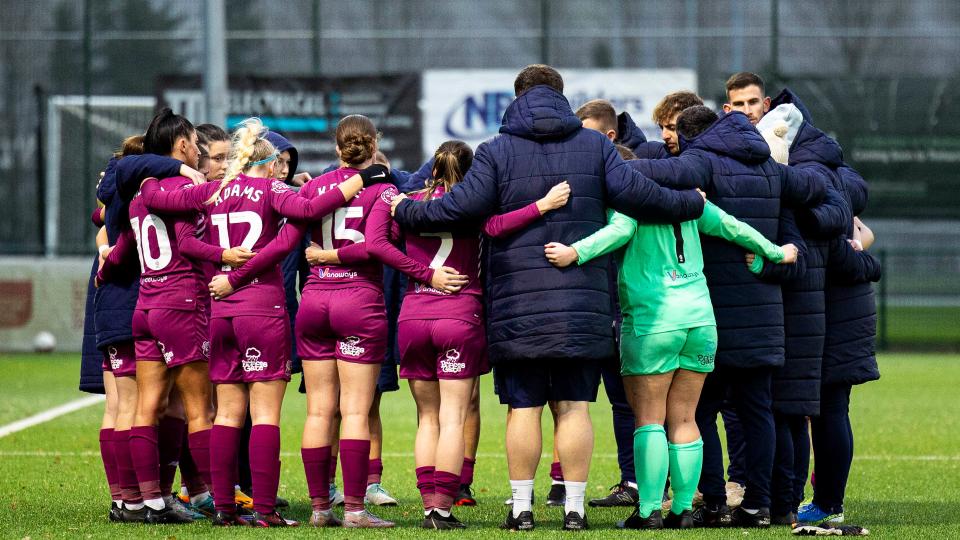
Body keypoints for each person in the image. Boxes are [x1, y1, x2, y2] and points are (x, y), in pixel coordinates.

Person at [392, 64, 706, 531]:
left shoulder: (496, 151)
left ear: (517, 97)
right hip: (581, 305)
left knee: (524, 409)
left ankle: (521, 510)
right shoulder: (596, 145)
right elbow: (639, 194)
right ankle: (575, 510)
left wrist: (406, 210)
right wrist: (692, 202)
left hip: (517, 307)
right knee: (575, 407)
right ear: (561, 96)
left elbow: (460, 208)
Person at [132, 116, 385, 527]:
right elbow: (311, 208)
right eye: (278, 163)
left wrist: (221, 261)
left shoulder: (213, 190)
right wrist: (366, 178)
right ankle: (265, 511)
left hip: (220, 310)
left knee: (227, 414)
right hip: (261, 309)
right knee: (265, 414)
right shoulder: (271, 189)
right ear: (268, 164)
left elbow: (186, 241)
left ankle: (224, 510)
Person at [544, 186, 797, 530]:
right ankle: (682, 511)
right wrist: (775, 252)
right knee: (685, 419)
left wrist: (574, 252)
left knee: (649, 420)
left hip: (653, 322)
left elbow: (617, 232)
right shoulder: (692, 203)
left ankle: (649, 512)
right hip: (701, 322)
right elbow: (732, 226)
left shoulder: (633, 204)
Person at [624, 103, 828, 528]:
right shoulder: (772, 170)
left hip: (708, 307)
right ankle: (764, 505)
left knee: (697, 413)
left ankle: (712, 501)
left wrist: (608, 165)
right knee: (760, 412)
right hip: (763, 314)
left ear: (692, 135)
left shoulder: (702, 163)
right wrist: (772, 258)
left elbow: (655, 178)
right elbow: (810, 196)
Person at [370, 140, 570, 528]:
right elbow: (498, 226)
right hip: (459, 317)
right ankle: (441, 509)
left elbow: (378, 243)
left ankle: (429, 503)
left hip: (413, 316)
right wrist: (541, 206)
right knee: (453, 416)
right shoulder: (472, 205)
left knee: (426, 416)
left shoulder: (407, 201)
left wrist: (423, 273)